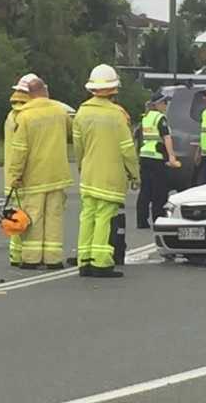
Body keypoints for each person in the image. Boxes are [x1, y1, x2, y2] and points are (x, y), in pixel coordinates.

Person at [73, 65, 139, 278]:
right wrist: (135, 174)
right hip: (110, 177)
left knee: (87, 216)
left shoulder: (81, 112)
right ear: (114, 90)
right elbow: (127, 149)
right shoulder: (117, 115)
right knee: (104, 217)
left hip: (89, 174)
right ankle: (100, 262)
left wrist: (83, 166)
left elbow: (78, 145)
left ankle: (84, 260)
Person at [7, 75, 73, 270]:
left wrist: (14, 175)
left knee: (34, 218)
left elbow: (19, 150)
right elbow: (71, 132)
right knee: (54, 218)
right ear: (46, 92)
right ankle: (53, 259)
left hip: (34, 177)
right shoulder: (60, 112)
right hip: (57, 175)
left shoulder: (25, 116)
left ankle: (31, 259)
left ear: (30, 94)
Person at [4, 73, 38, 267]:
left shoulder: (11, 115)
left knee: (15, 216)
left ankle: (15, 255)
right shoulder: (25, 117)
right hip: (23, 175)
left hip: (11, 174)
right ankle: (25, 256)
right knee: (26, 219)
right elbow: (23, 149)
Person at [136, 92, 180, 228]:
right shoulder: (160, 118)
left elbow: (140, 137)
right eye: (164, 103)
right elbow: (166, 137)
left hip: (145, 156)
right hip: (157, 158)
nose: (166, 105)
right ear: (158, 104)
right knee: (159, 191)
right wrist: (172, 157)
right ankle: (158, 219)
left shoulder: (146, 117)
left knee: (145, 191)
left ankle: (141, 221)